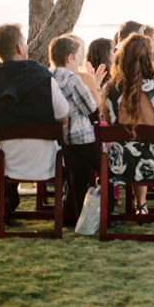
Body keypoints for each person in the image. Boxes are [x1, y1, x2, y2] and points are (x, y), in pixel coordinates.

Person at [0, 24, 70, 216]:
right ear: (19, 48)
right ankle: (71, 205)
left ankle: (9, 197)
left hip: (9, 165)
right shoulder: (42, 77)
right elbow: (63, 115)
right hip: (47, 163)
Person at [100, 34, 154, 215]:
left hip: (119, 163)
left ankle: (140, 204)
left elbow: (109, 122)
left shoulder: (108, 89)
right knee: (144, 147)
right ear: (148, 59)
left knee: (132, 147)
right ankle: (141, 205)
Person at [48, 34, 102, 222]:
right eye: (78, 57)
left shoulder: (47, 78)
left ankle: (71, 209)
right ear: (69, 57)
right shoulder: (73, 80)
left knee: (77, 176)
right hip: (81, 138)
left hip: (58, 140)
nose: (79, 61)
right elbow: (91, 107)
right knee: (105, 167)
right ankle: (104, 212)